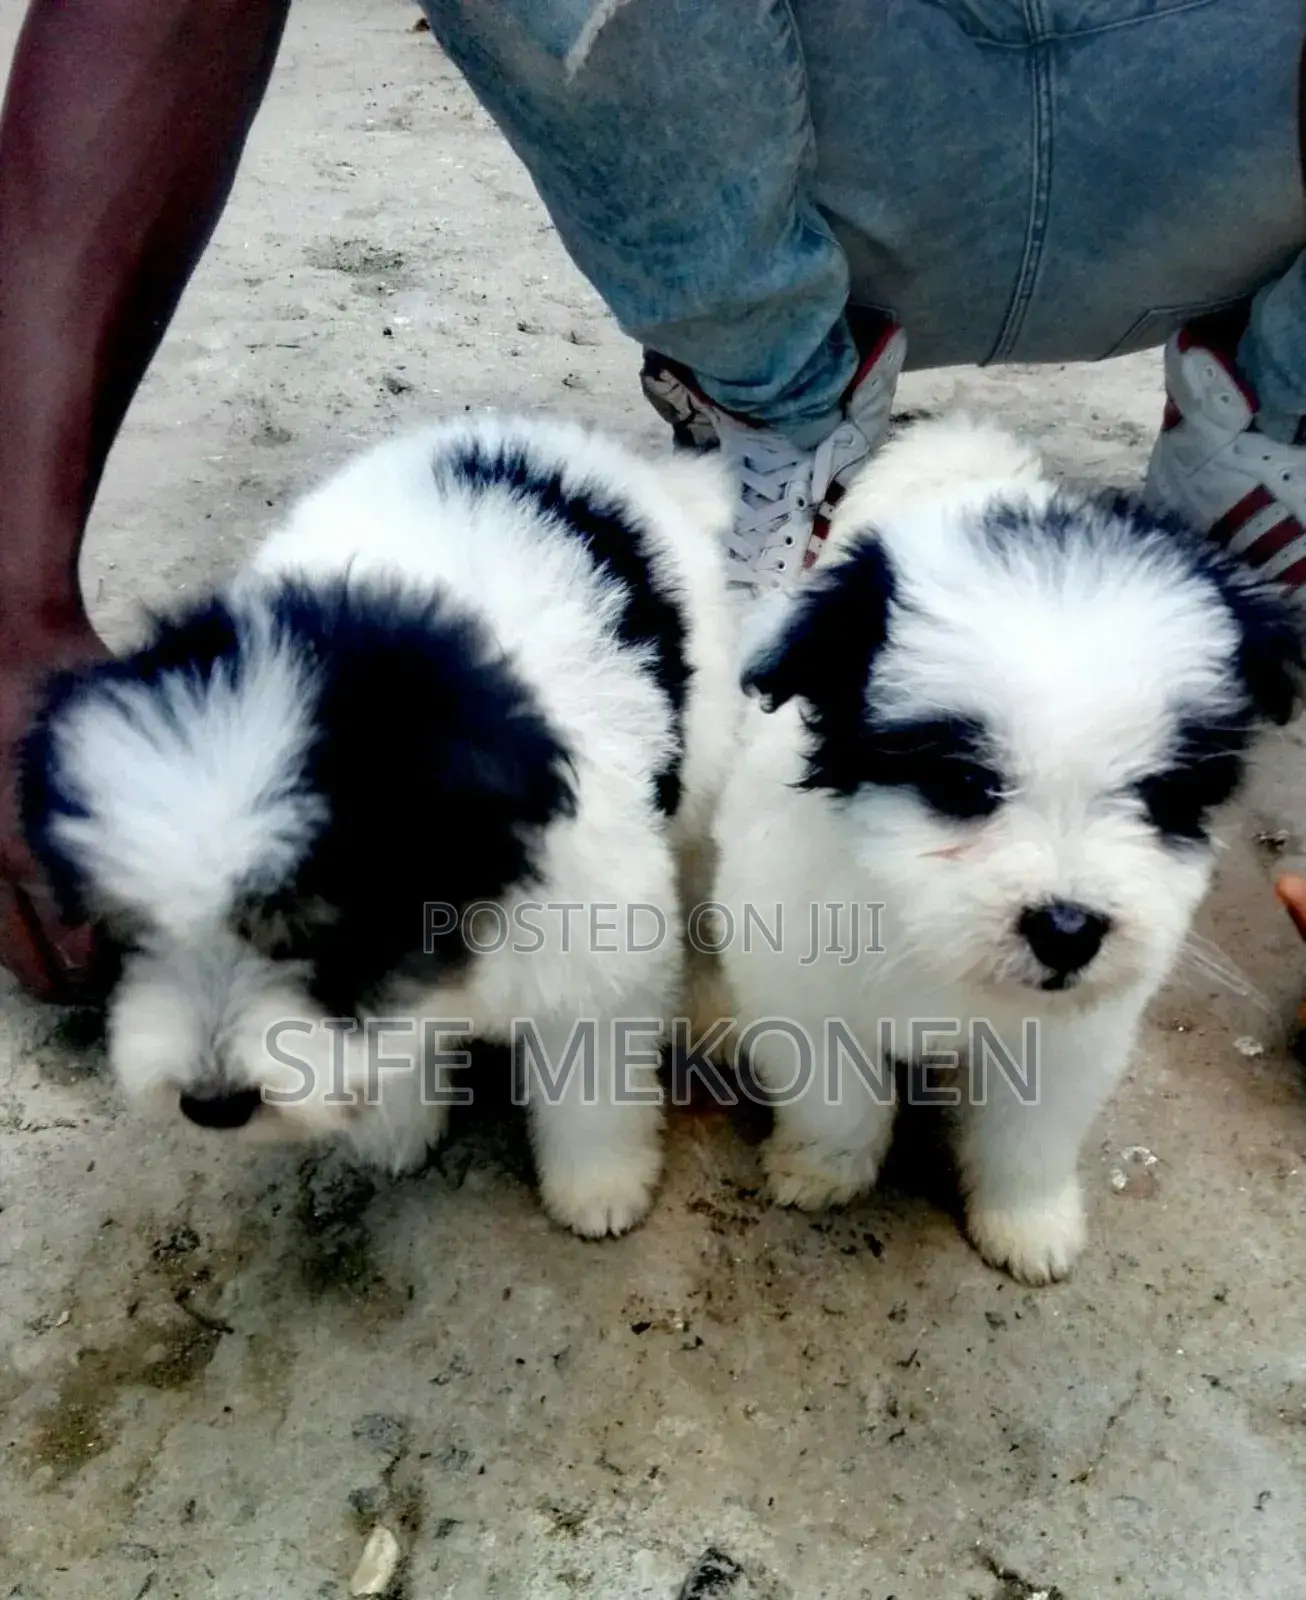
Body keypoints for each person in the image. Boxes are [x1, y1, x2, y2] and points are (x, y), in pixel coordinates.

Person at [1, 0, 1304, 1000]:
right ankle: (781, 405)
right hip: (799, 144)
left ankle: (1268, 439)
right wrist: (10, 606)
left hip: (1222, 137)